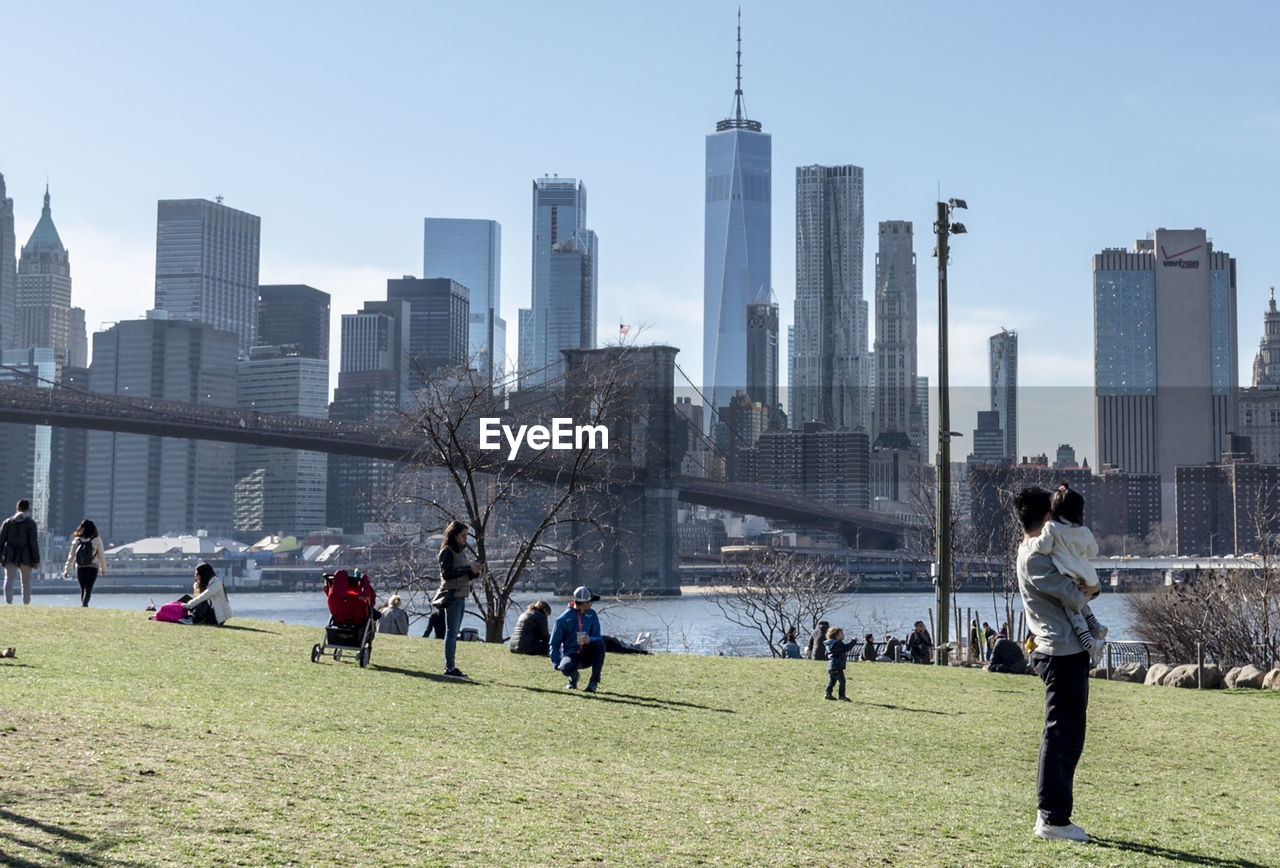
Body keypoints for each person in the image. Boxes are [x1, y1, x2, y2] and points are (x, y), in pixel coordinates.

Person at [1014, 486, 1097, 843]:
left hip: (1063, 651)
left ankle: (1055, 815)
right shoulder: (1035, 558)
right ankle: (1052, 817)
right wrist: (1090, 589)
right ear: (1047, 517)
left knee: (1067, 734)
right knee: (1061, 734)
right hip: (1058, 652)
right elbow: (1075, 595)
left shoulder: (1038, 551)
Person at [1028, 482, 1109, 667]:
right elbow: (1093, 552)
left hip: (1067, 573)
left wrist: (1031, 543)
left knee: (1072, 608)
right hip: (1086, 575)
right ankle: (1096, 625)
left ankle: (1090, 643)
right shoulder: (1085, 531)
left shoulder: (1052, 528)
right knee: (1083, 603)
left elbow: (1043, 547)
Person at [435, 520, 483, 678]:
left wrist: (474, 572)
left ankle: (451, 666)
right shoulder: (446, 551)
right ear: (455, 535)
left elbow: (462, 573)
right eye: (463, 535)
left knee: (453, 632)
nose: (465, 539)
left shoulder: (459, 552)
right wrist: (467, 569)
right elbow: (447, 574)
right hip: (452, 595)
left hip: (461, 595)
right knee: (451, 633)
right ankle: (449, 668)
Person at [549, 586, 605, 691]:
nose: (592, 604)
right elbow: (554, 644)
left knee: (600, 644)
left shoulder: (592, 614)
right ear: (585, 603)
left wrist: (590, 639)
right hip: (571, 654)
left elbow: (597, 637)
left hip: (587, 653)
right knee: (566, 667)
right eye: (591, 601)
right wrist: (556, 663)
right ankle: (573, 678)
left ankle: (593, 682)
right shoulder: (562, 619)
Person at [0, 498, 40, 605]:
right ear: (28, 509)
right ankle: (26, 604)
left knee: (9, 579)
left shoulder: (7, 522)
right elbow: (34, 543)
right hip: (26, 556)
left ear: (17, 508)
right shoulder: (31, 524)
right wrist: (36, 559)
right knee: (26, 582)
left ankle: (8, 602)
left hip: (10, 555)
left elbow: (1, 541)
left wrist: (1, 557)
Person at [63, 518, 106, 607]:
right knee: (89, 588)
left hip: (81, 567)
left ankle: (84, 603)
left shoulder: (77, 540)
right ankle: (85, 604)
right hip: (93, 567)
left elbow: (71, 557)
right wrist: (103, 568)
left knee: (83, 588)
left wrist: (66, 570)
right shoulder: (97, 540)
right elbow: (101, 556)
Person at [823, 627, 855, 701]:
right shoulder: (838, 643)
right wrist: (853, 641)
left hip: (831, 666)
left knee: (832, 681)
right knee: (842, 681)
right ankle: (842, 696)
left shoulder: (829, 644)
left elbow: (826, 654)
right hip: (837, 666)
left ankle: (828, 694)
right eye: (841, 634)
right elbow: (847, 647)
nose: (843, 635)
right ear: (836, 636)